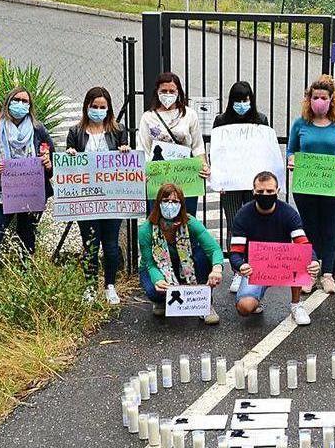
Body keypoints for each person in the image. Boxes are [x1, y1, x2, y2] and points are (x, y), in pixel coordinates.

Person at [286, 75, 335, 294]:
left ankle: (327, 274)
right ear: (309, 99)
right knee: (308, 228)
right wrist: (291, 159)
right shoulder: (300, 123)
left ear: (331, 99)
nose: (319, 101)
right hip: (306, 186)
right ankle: (309, 273)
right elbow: (291, 149)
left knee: (330, 228)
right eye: (315, 97)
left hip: (334, 187)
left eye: (323, 97)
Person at [227, 171, 321, 326]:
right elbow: (235, 252)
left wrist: (314, 260)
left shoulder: (289, 213)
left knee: (300, 255)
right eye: (260, 191)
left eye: (270, 191)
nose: (265, 194)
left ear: (277, 191)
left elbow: (303, 243)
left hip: (284, 264)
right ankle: (257, 298)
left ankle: (296, 305)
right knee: (245, 308)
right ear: (253, 192)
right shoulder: (243, 215)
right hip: (255, 268)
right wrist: (241, 265)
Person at [65, 87, 131, 305]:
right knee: (90, 244)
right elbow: (69, 167)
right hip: (87, 198)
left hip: (112, 198)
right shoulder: (75, 132)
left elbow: (126, 164)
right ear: (87, 106)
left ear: (108, 109)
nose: (98, 110)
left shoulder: (118, 130)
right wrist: (71, 155)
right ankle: (90, 286)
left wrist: (125, 152)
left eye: (103, 107)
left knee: (111, 245)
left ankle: (110, 285)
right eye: (94, 106)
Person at [0, 87, 54, 259]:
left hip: (31, 193)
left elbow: (52, 163)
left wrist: (47, 164)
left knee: (27, 238)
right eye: (16, 100)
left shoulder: (38, 130)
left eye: (25, 101)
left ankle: (26, 275)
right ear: (8, 103)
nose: (20, 104)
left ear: (30, 106)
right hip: (1, 194)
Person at [138, 183, 225, 323]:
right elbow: (150, 263)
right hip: (158, 268)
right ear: (158, 203)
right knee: (154, 292)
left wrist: (217, 268)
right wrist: (158, 280)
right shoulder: (145, 230)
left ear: (182, 205)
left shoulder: (190, 222)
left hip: (184, 266)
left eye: (175, 201)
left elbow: (213, 248)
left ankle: (204, 302)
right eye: (165, 201)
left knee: (202, 255)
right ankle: (161, 300)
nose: (170, 205)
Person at [211, 80, 269, 279]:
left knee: (255, 224)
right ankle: (237, 270)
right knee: (235, 224)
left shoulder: (261, 120)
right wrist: (219, 180)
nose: (242, 104)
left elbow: (265, 152)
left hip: (254, 184)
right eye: (238, 100)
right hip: (231, 184)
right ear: (231, 101)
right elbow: (216, 153)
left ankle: (254, 268)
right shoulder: (221, 121)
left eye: (245, 100)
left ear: (251, 100)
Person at [136, 72, 209, 215]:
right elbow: (143, 148)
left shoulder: (189, 114)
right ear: (157, 92)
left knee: (186, 218)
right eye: (164, 91)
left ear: (178, 92)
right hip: (158, 175)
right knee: (158, 217)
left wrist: (204, 165)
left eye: (171, 91)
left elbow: (197, 145)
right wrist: (144, 172)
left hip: (186, 174)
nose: (167, 94)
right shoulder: (148, 117)